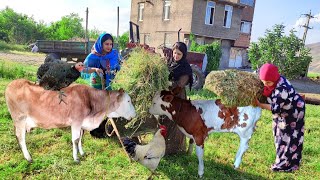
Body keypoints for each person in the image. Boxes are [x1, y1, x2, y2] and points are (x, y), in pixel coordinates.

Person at [255, 63, 305, 172]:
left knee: (288, 138)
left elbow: (275, 109)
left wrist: (259, 104)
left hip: (293, 112)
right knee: (278, 134)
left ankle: (284, 165)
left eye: (268, 82)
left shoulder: (281, 90)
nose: (266, 84)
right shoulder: (274, 80)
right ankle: (285, 161)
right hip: (284, 110)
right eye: (264, 82)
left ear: (274, 78)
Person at [82, 33, 121, 138]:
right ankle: (96, 132)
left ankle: (107, 129)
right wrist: (95, 69)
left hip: (110, 84)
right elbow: (82, 69)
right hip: (97, 84)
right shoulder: (93, 56)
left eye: (111, 44)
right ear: (100, 44)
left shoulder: (114, 54)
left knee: (108, 106)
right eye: (106, 44)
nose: (109, 47)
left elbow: (119, 66)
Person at [160, 42, 193, 154]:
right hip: (167, 96)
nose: (176, 56)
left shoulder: (185, 68)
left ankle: (175, 148)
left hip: (178, 97)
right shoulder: (171, 62)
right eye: (175, 53)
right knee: (165, 118)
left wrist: (169, 83)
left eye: (179, 54)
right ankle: (163, 144)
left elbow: (180, 85)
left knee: (175, 121)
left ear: (184, 54)